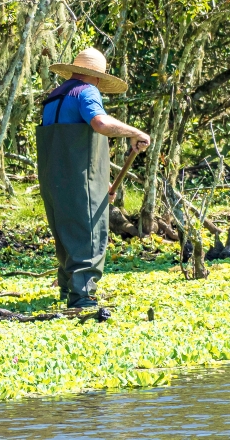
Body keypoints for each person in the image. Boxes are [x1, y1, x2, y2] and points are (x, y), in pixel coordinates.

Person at [36, 47, 150, 309]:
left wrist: (103, 182)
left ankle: (68, 288)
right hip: (79, 180)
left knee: (66, 232)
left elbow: (72, 145)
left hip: (53, 179)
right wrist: (135, 132)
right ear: (97, 77)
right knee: (89, 235)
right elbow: (99, 124)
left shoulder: (54, 96)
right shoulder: (86, 91)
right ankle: (82, 297)